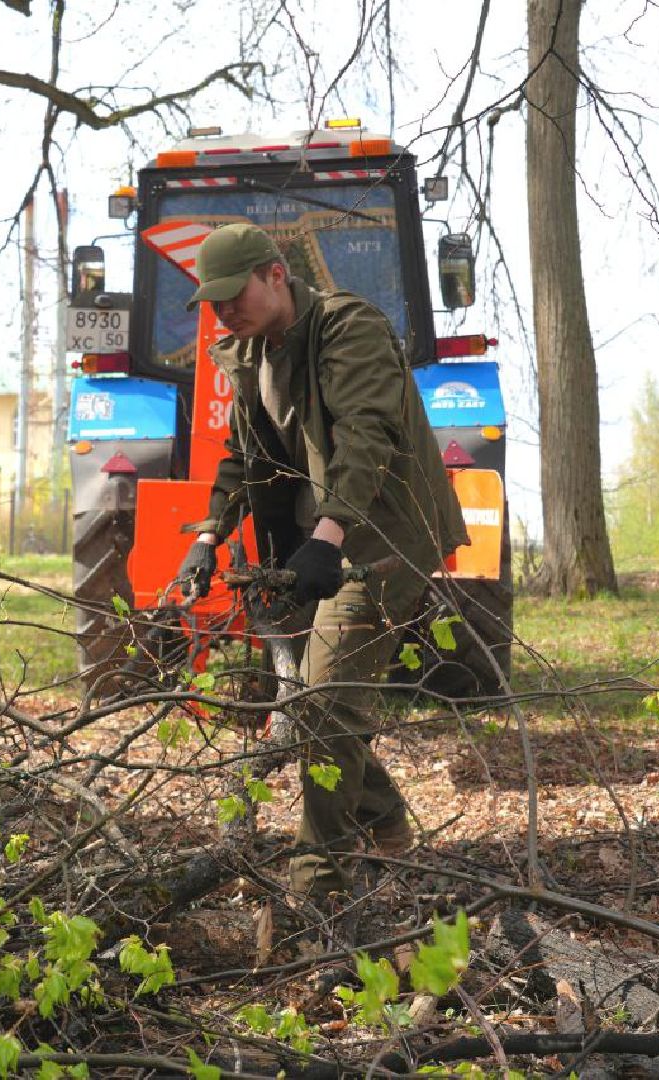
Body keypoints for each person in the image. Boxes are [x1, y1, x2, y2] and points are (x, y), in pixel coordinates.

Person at [173, 223, 469, 907]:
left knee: (323, 703)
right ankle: (388, 825)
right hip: (316, 541)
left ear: (276, 274)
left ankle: (318, 884)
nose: (223, 313)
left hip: (383, 534)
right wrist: (208, 536)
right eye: (212, 303)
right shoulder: (248, 352)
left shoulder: (346, 328)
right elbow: (240, 456)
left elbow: (367, 437)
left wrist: (328, 537)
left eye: (233, 295)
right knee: (319, 702)